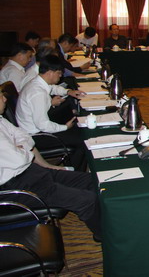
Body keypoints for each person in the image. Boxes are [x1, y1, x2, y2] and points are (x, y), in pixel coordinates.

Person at [0, 92, 102, 242]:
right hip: (16, 187)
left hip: (31, 172)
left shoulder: (1, 119)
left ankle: (108, 223)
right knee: (87, 200)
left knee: (92, 181)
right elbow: (19, 159)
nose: (5, 98)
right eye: (1, 96)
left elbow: (25, 136)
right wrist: (22, 147)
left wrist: (20, 147)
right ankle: (104, 235)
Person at [16, 55, 87, 170]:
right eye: (59, 73)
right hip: (36, 136)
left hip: (37, 128)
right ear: (50, 73)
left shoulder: (38, 82)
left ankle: (73, 165)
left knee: (79, 128)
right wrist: (65, 127)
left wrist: (68, 91)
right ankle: (76, 173)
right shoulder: (37, 93)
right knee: (82, 140)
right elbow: (43, 125)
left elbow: (53, 88)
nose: (61, 76)